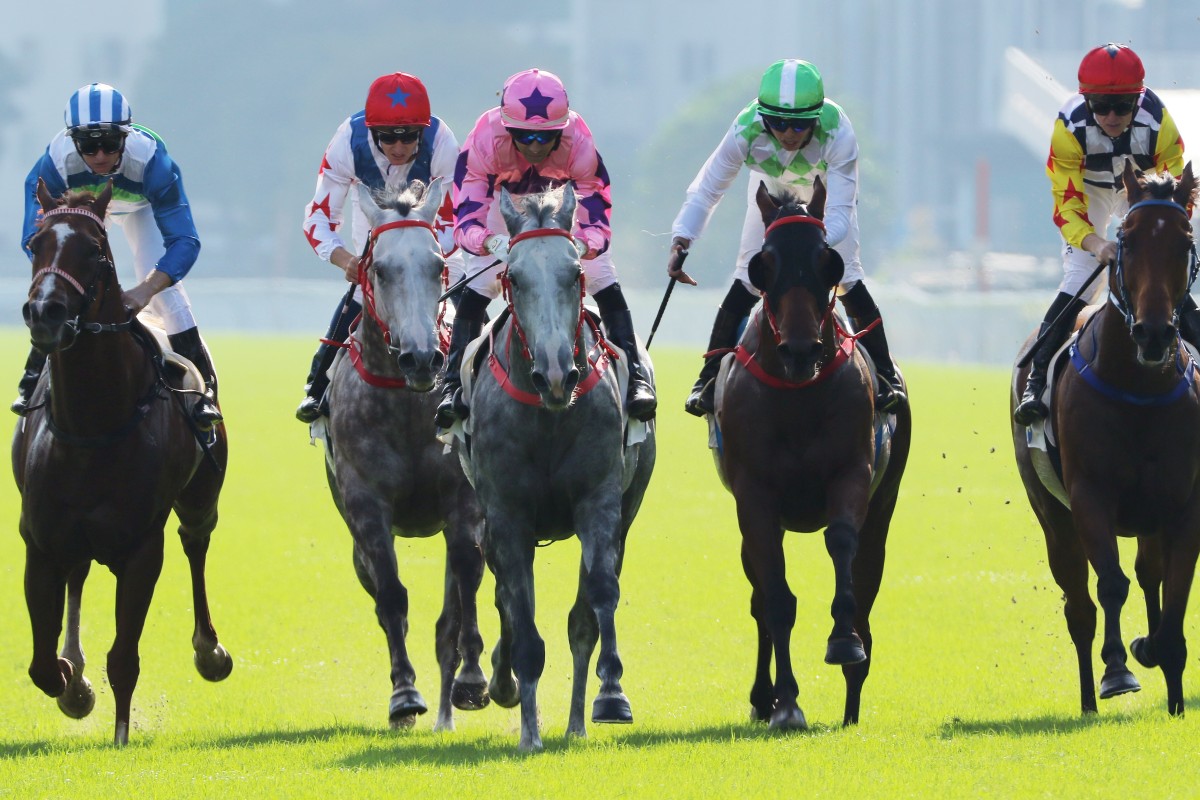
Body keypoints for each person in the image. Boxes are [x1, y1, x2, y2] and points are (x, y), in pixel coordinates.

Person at [667, 59, 906, 417]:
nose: (788, 133)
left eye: (798, 124)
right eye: (777, 123)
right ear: (764, 117)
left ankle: (887, 377)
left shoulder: (838, 131)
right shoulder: (744, 130)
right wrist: (682, 238)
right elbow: (707, 190)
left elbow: (840, 212)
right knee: (746, 276)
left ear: (816, 117)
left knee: (848, 277)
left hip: (825, 196)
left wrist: (812, 240)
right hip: (770, 190)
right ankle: (709, 376)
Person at [434, 67, 656, 428]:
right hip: (500, 212)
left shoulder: (578, 141)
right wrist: (490, 242)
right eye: (524, 137)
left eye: (546, 138)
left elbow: (597, 216)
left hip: (561, 212)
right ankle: (452, 386)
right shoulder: (484, 140)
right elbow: (466, 221)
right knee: (478, 286)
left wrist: (583, 246)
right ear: (507, 128)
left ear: (561, 131)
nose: (535, 147)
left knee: (601, 278)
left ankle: (636, 377)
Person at [18, 82, 222, 428]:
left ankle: (206, 392)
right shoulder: (54, 163)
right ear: (72, 141)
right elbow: (33, 240)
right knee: (60, 280)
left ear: (126, 137)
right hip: (82, 209)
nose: (99, 155)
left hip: (141, 207)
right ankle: (33, 373)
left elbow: (185, 241)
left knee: (165, 292)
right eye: (88, 145)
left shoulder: (153, 160)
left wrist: (145, 290)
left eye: (110, 143)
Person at [1014, 42, 1190, 425]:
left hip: (1141, 191)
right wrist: (1098, 244)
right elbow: (1067, 204)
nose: (1111, 115)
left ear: (1137, 100)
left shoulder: (1159, 122)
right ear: (1086, 101)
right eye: (1101, 105)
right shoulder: (1069, 125)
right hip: (1088, 191)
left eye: (1123, 105)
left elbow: (1176, 195)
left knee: (1161, 269)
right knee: (1080, 276)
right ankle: (1037, 379)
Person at [296, 71, 460, 422]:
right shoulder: (347, 143)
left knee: (464, 299)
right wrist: (347, 261)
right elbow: (317, 219)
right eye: (387, 138)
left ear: (423, 131)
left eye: (409, 138)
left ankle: (469, 385)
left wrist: (423, 259)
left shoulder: (444, 142)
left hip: (428, 232)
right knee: (363, 294)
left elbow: (455, 219)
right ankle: (317, 387)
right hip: (372, 222)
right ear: (371, 132)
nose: (398, 148)